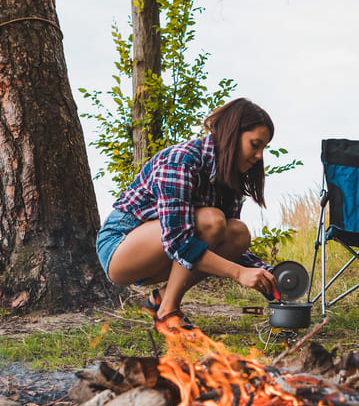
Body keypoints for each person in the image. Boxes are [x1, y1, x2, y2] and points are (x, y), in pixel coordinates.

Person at [96, 98, 279, 337]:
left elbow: (224, 246)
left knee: (238, 233)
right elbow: (178, 242)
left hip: (164, 249)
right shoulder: (181, 160)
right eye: (255, 144)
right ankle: (168, 313)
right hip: (120, 248)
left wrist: (269, 274)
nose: (258, 155)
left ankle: (161, 300)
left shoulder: (227, 176)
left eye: (263, 148)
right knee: (211, 220)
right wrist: (238, 273)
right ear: (232, 134)